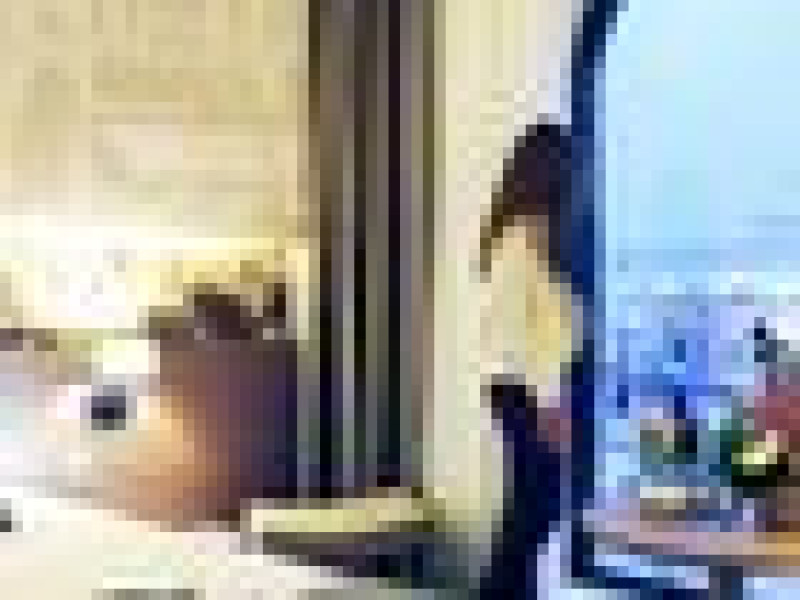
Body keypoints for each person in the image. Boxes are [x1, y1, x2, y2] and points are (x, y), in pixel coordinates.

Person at [479, 121, 577, 597]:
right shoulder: (519, 244)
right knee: (533, 511)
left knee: (532, 510)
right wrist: (549, 403)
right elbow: (521, 338)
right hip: (523, 389)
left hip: (523, 388)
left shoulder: (532, 241)